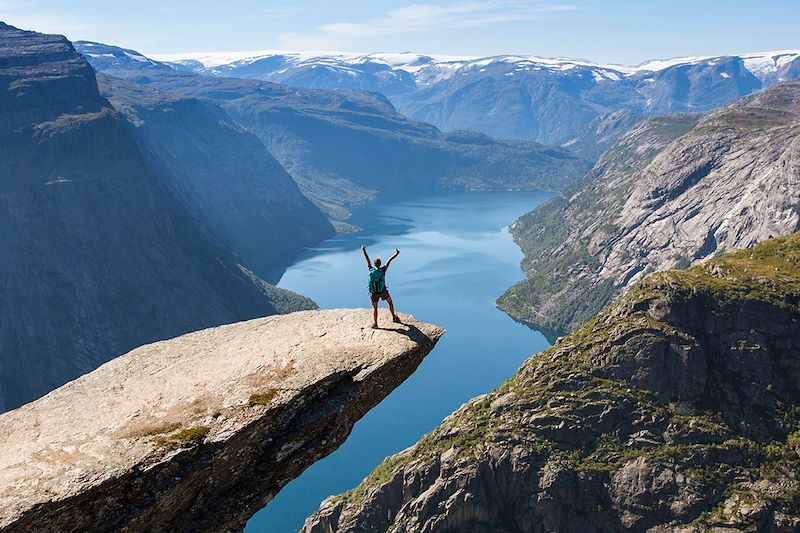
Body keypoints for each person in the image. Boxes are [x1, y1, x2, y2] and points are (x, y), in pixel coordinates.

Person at [361, 244, 400, 328]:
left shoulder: (370, 269)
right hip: (383, 291)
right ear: (380, 263)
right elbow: (389, 261)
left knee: (375, 308)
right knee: (390, 302)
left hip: (374, 293)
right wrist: (396, 254)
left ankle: (375, 324)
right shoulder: (383, 270)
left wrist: (364, 251)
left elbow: (367, 260)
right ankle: (394, 317)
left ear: (374, 264)